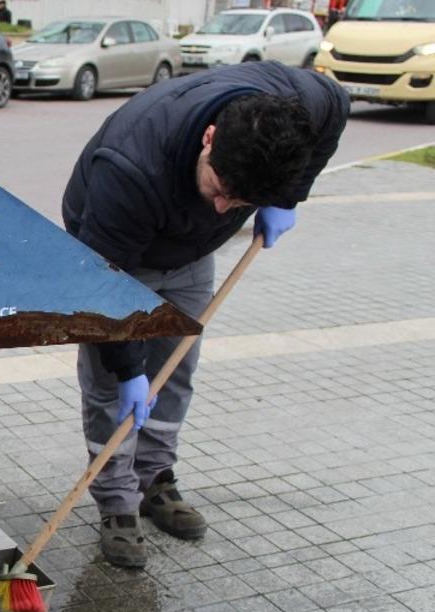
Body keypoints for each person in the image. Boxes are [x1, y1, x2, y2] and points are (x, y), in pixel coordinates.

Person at [60, 61, 349, 569]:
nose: (224, 209)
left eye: (240, 201)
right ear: (209, 138)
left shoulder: (299, 101)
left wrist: (288, 196)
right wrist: (128, 369)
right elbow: (103, 290)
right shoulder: (130, 166)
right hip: (115, 256)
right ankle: (116, 502)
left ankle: (155, 479)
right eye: (220, 189)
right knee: (115, 387)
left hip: (188, 253)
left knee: (176, 369)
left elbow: (337, 109)